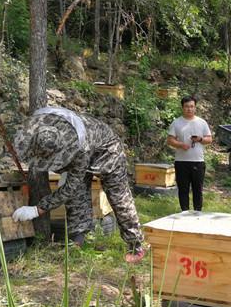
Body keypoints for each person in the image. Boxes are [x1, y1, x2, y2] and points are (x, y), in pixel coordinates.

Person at [12, 107, 146, 263]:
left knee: (119, 198)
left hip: (108, 152)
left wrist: (37, 209)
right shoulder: (43, 129)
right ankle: (77, 241)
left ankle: (136, 245)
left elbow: (70, 187)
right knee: (76, 198)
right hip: (87, 146)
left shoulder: (80, 149)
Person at [167, 95, 213, 211]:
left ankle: (198, 212)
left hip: (198, 161)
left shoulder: (201, 122)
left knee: (198, 189)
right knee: (183, 189)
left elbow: (209, 139)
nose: (189, 109)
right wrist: (180, 145)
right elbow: (170, 140)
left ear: (195, 108)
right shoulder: (176, 123)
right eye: (187, 106)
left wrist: (200, 139)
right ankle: (184, 212)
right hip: (181, 162)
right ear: (182, 108)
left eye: (192, 106)